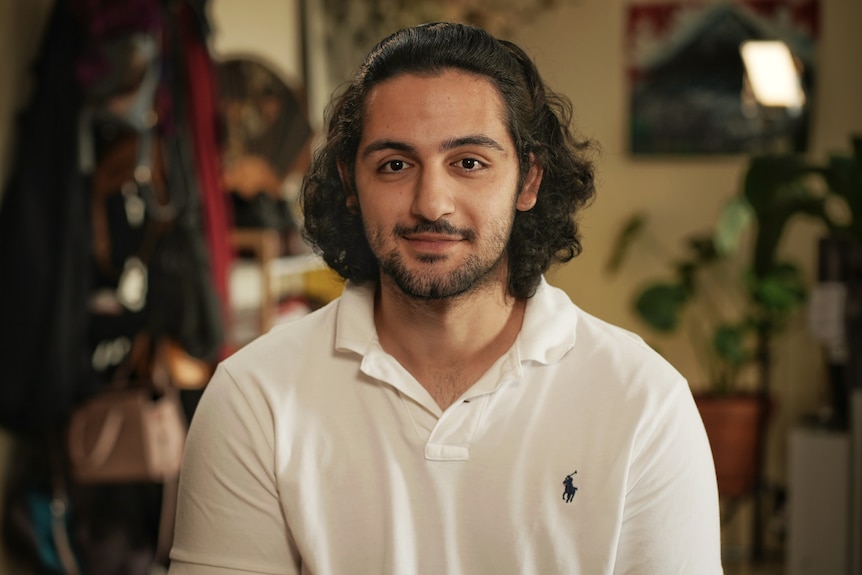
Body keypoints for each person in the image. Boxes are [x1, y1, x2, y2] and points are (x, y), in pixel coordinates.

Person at [168, 22, 722, 574]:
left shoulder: (644, 403)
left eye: (469, 163)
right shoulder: (253, 398)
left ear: (528, 180)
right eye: (395, 165)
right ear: (351, 184)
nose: (431, 203)